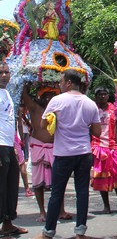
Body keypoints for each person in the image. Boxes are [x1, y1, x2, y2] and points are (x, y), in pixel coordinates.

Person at [29, 70, 101, 239]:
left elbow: (43, 124)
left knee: (57, 193)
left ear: (68, 83)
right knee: (82, 192)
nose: (59, 85)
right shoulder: (90, 103)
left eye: (61, 82)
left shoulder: (57, 101)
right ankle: (80, 233)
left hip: (63, 153)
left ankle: (48, 233)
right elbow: (97, 131)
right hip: (83, 152)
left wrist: (56, 121)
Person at [21, 86, 71, 222]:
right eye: (46, 95)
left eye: (51, 96)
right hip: (38, 147)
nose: (48, 98)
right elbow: (24, 93)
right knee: (38, 183)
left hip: (56, 148)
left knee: (59, 181)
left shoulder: (58, 110)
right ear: (40, 97)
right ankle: (42, 212)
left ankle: (61, 210)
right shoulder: (34, 107)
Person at [0, 61, 27, 239]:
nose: (4, 75)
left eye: (6, 72)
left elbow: (9, 122)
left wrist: (16, 146)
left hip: (9, 146)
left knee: (10, 185)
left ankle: (8, 223)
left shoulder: (7, 93)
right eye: (1, 72)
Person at [91, 88, 117, 214]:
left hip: (112, 146)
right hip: (97, 146)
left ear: (108, 96)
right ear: (96, 97)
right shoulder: (92, 109)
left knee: (116, 174)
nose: (102, 96)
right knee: (101, 175)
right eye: (99, 94)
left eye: (104, 94)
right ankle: (106, 206)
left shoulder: (114, 109)